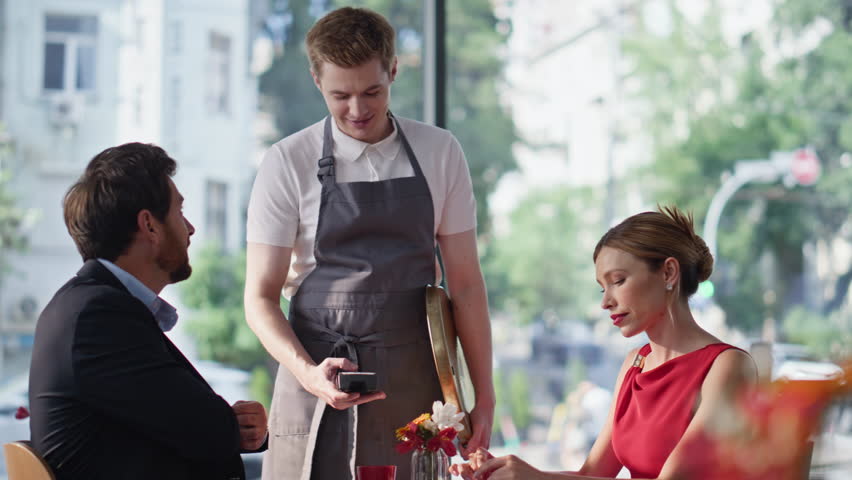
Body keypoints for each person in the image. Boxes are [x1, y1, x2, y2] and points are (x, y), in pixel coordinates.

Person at [244, 6, 494, 480]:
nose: (357, 110)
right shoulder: (287, 162)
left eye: (372, 92)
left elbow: (465, 285)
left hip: (415, 382)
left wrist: (483, 395)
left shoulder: (440, 152)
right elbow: (259, 298)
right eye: (341, 95)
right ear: (317, 80)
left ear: (394, 70)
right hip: (317, 374)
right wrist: (308, 374)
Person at [453, 206, 758, 480]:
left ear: (668, 272)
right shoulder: (635, 363)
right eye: (602, 288)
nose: (606, 302)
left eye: (618, 281)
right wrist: (500, 472)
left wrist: (535, 478)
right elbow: (591, 474)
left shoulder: (728, 366)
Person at [29, 143, 268, 480]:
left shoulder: (85, 305)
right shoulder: (100, 315)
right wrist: (234, 426)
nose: (190, 228)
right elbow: (209, 432)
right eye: (179, 211)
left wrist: (234, 427)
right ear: (150, 226)